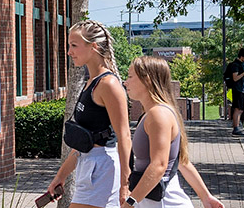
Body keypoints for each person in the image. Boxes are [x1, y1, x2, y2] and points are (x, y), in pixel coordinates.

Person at [48, 20, 132, 208]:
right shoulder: (91, 83)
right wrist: (60, 176)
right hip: (89, 164)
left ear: (93, 46)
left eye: (74, 45)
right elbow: (85, 139)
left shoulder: (108, 85)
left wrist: (125, 185)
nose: (69, 52)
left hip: (102, 167)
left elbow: (125, 136)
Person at [123, 56, 224, 208]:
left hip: (163, 201)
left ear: (147, 80)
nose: (126, 82)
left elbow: (159, 165)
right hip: (154, 200)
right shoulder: (151, 113)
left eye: (130, 77)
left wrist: (130, 203)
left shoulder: (158, 114)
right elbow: (182, 161)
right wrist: (206, 197)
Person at [224, 48, 244, 136]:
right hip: (238, 90)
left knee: (241, 109)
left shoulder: (242, 64)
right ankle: (236, 128)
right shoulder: (235, 65)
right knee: (238, 109)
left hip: (243, 89)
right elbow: (235, 78)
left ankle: (237, 126)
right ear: (241, 56)